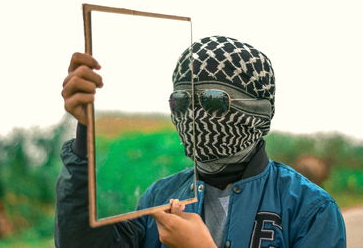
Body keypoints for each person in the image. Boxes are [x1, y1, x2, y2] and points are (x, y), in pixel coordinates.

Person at [55, 36, 346, 248]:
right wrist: (85, 133)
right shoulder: (159, 196)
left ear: (261, 111)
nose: (194, 115)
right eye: (180, 101)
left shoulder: (310, 210)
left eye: (213, 101)